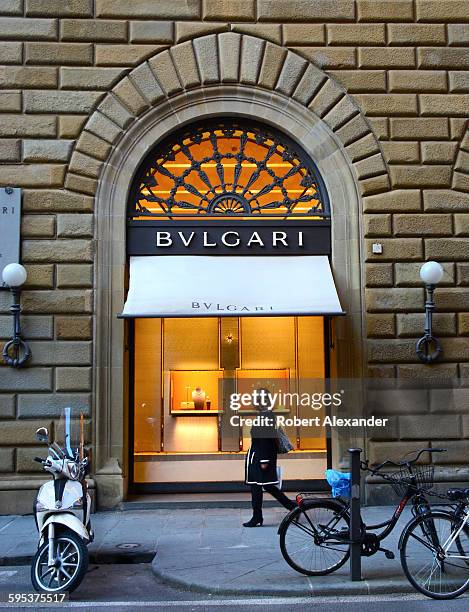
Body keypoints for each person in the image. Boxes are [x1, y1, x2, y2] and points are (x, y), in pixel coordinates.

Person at [243, 389, 296, 527]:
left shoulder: (266, 416)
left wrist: (264, 460)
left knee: (266, 486)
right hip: (258, 457)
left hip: (261, 457)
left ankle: (292, 508)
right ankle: (258, 516)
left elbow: (266, 439)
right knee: (259, 486)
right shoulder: (265, 414)